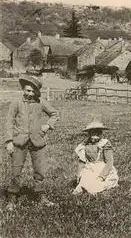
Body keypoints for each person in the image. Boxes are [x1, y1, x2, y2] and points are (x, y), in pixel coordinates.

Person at [4, 75, 60, 210]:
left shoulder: (41, 103)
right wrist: (9, 141)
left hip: (37, 141)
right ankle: (12, 198)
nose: (29, 94)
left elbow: (55, 114)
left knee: (40, 170)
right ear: (23, 89)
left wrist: (47, 126)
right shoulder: (16, 103)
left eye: (32, 91)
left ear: (37, 92)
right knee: (16, 170)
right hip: (19, 141)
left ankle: (41, 196)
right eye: (27, 90)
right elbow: (9, 122)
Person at [73, 121, 119, 195]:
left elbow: (109, 162)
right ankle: (85, 187)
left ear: (101, 133)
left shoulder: (104, 143)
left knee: (97, 182)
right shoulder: (84, 145)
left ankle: (94, 188)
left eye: (98, 133)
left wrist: (102, 176)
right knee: (85, 180)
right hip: (90, 168)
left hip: (101, 168)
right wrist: (78, 174)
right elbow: (82, 161)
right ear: (89, 134)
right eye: (92, 133)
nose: (95, 135)